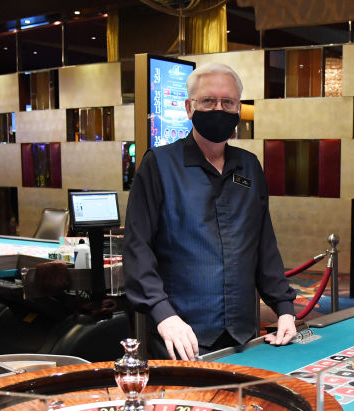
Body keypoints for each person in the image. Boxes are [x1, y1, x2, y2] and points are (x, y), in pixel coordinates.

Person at [124, 62, 296, 360]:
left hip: (244, 336)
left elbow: (264, 246)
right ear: (189, 108)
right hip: (181, 339)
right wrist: (164, 316)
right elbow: (138, 248)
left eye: (227, 102)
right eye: (208, 101)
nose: (219, 108)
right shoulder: (159, 165)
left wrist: (284, 309)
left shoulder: (250, 166)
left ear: (238, 109)